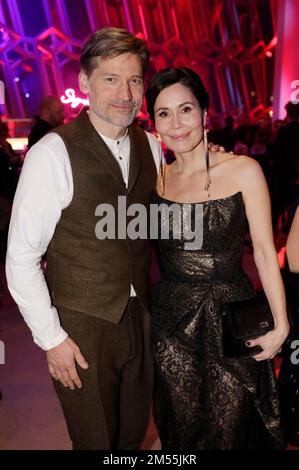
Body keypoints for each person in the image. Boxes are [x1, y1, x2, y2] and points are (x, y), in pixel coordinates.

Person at [6, 27, 163, 450]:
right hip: (80, 327)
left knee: (132, 436)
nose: (125, 92)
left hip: (141, 317)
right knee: (96, 441)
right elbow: (20, 257)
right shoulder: (52, 153)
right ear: (84, 83)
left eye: (133, 79)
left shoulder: (152, 146)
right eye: (110, 78)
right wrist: (52, 339)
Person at [145, 67, 289, 449]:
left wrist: (281, 322)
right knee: (180, 431)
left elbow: (262, 251)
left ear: (205, 113)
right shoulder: (153, 181)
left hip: (231, 321)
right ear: (154, 123)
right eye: (164, 113)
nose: (177, 123)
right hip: (170, 326)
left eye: (186, 109)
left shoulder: (244, 170)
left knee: (231, 432)